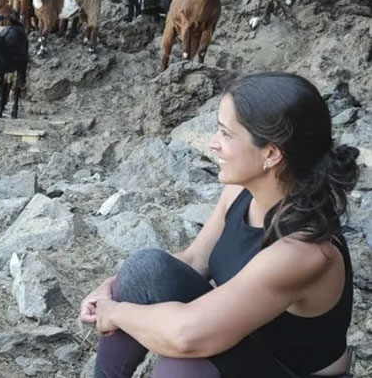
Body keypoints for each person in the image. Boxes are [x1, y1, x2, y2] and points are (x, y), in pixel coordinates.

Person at [79, 72, 359, 378]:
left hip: (288, 371)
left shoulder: (305, 252)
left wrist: (117, 314)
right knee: (144, 268)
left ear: (271, 153)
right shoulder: (241, 192)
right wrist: (112, 289)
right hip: (242, 343)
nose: (213, 144)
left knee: (182, 369)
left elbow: (187, 336)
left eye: (226, 134)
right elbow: (194, 260)